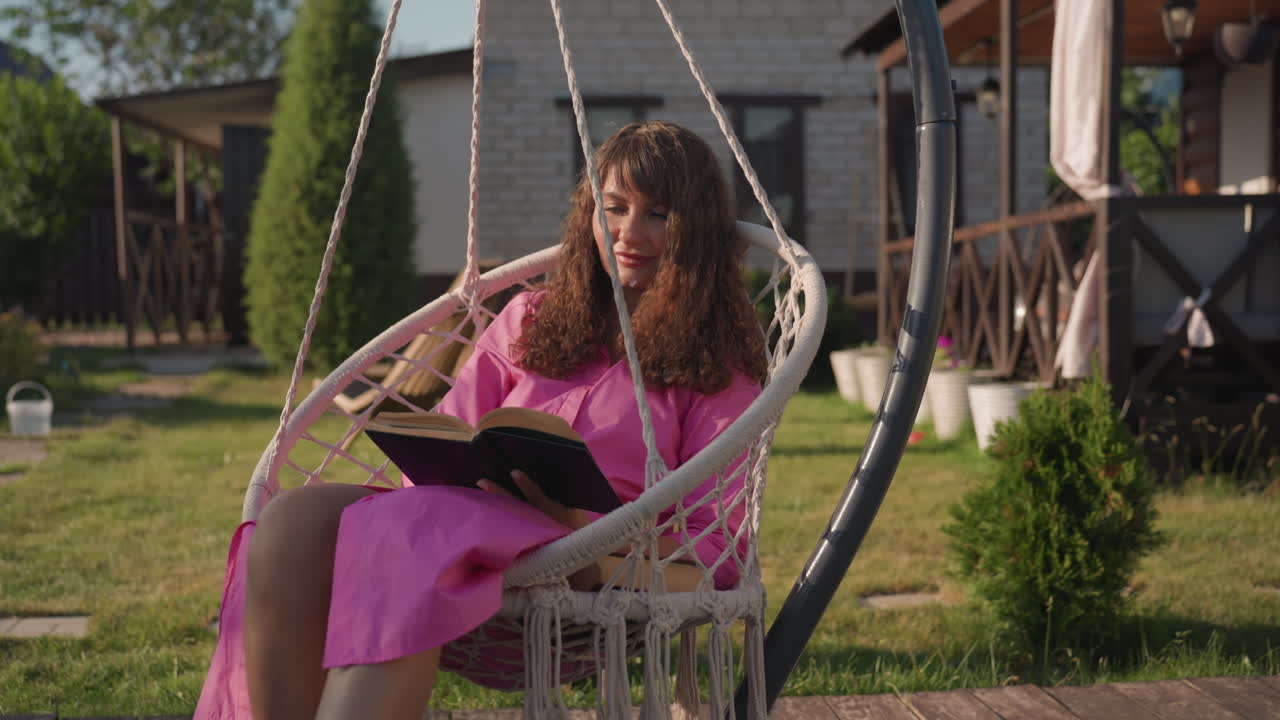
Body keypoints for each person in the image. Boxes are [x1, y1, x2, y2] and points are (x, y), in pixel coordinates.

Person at [193, 120, 768, 720]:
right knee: (292, 519)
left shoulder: (715, 371)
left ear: (695, 229)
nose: (627, 232)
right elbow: (452, 430)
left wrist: (589, 534)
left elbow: (715, 554)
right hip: (456, 513)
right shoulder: (533, 317)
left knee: (408, 540)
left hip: (582, 550)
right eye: (613, 207)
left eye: (657, 215)